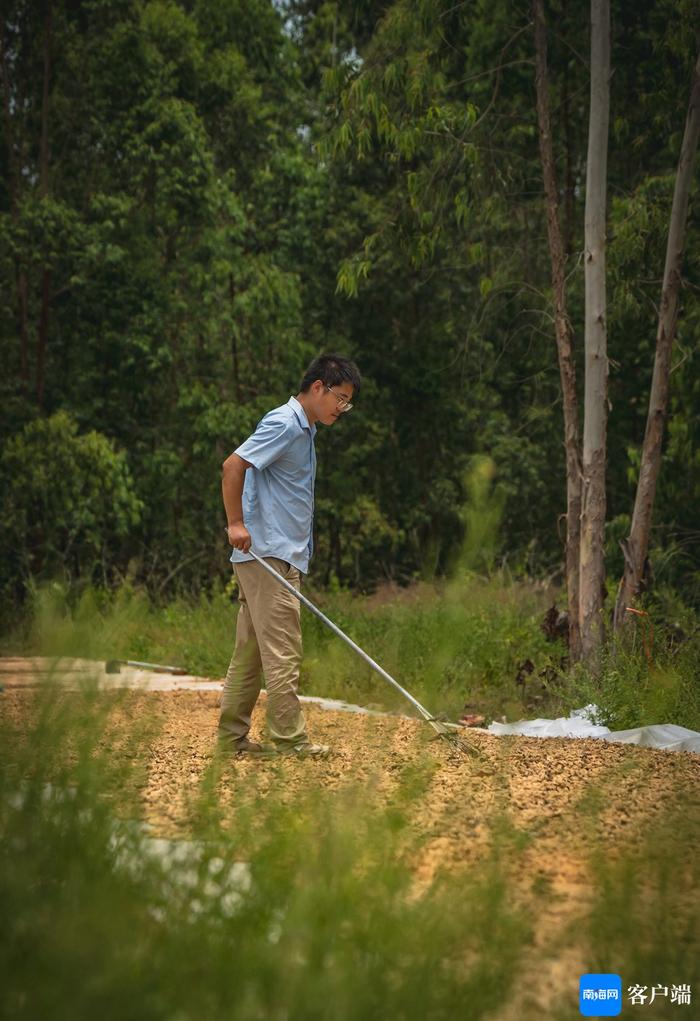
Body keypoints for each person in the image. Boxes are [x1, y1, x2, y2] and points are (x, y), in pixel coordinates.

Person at [218, 353, 361, 758]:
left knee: (250, 654)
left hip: (274, 554)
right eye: (341, 398)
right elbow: (233, 466)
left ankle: (231, 742)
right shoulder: (284, 423)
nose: (343, 408)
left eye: (347, 401)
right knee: (283, 651)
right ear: (319, 387)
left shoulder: (305, 429)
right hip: (268, 554)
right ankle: (290, 741)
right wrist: (235, 524)